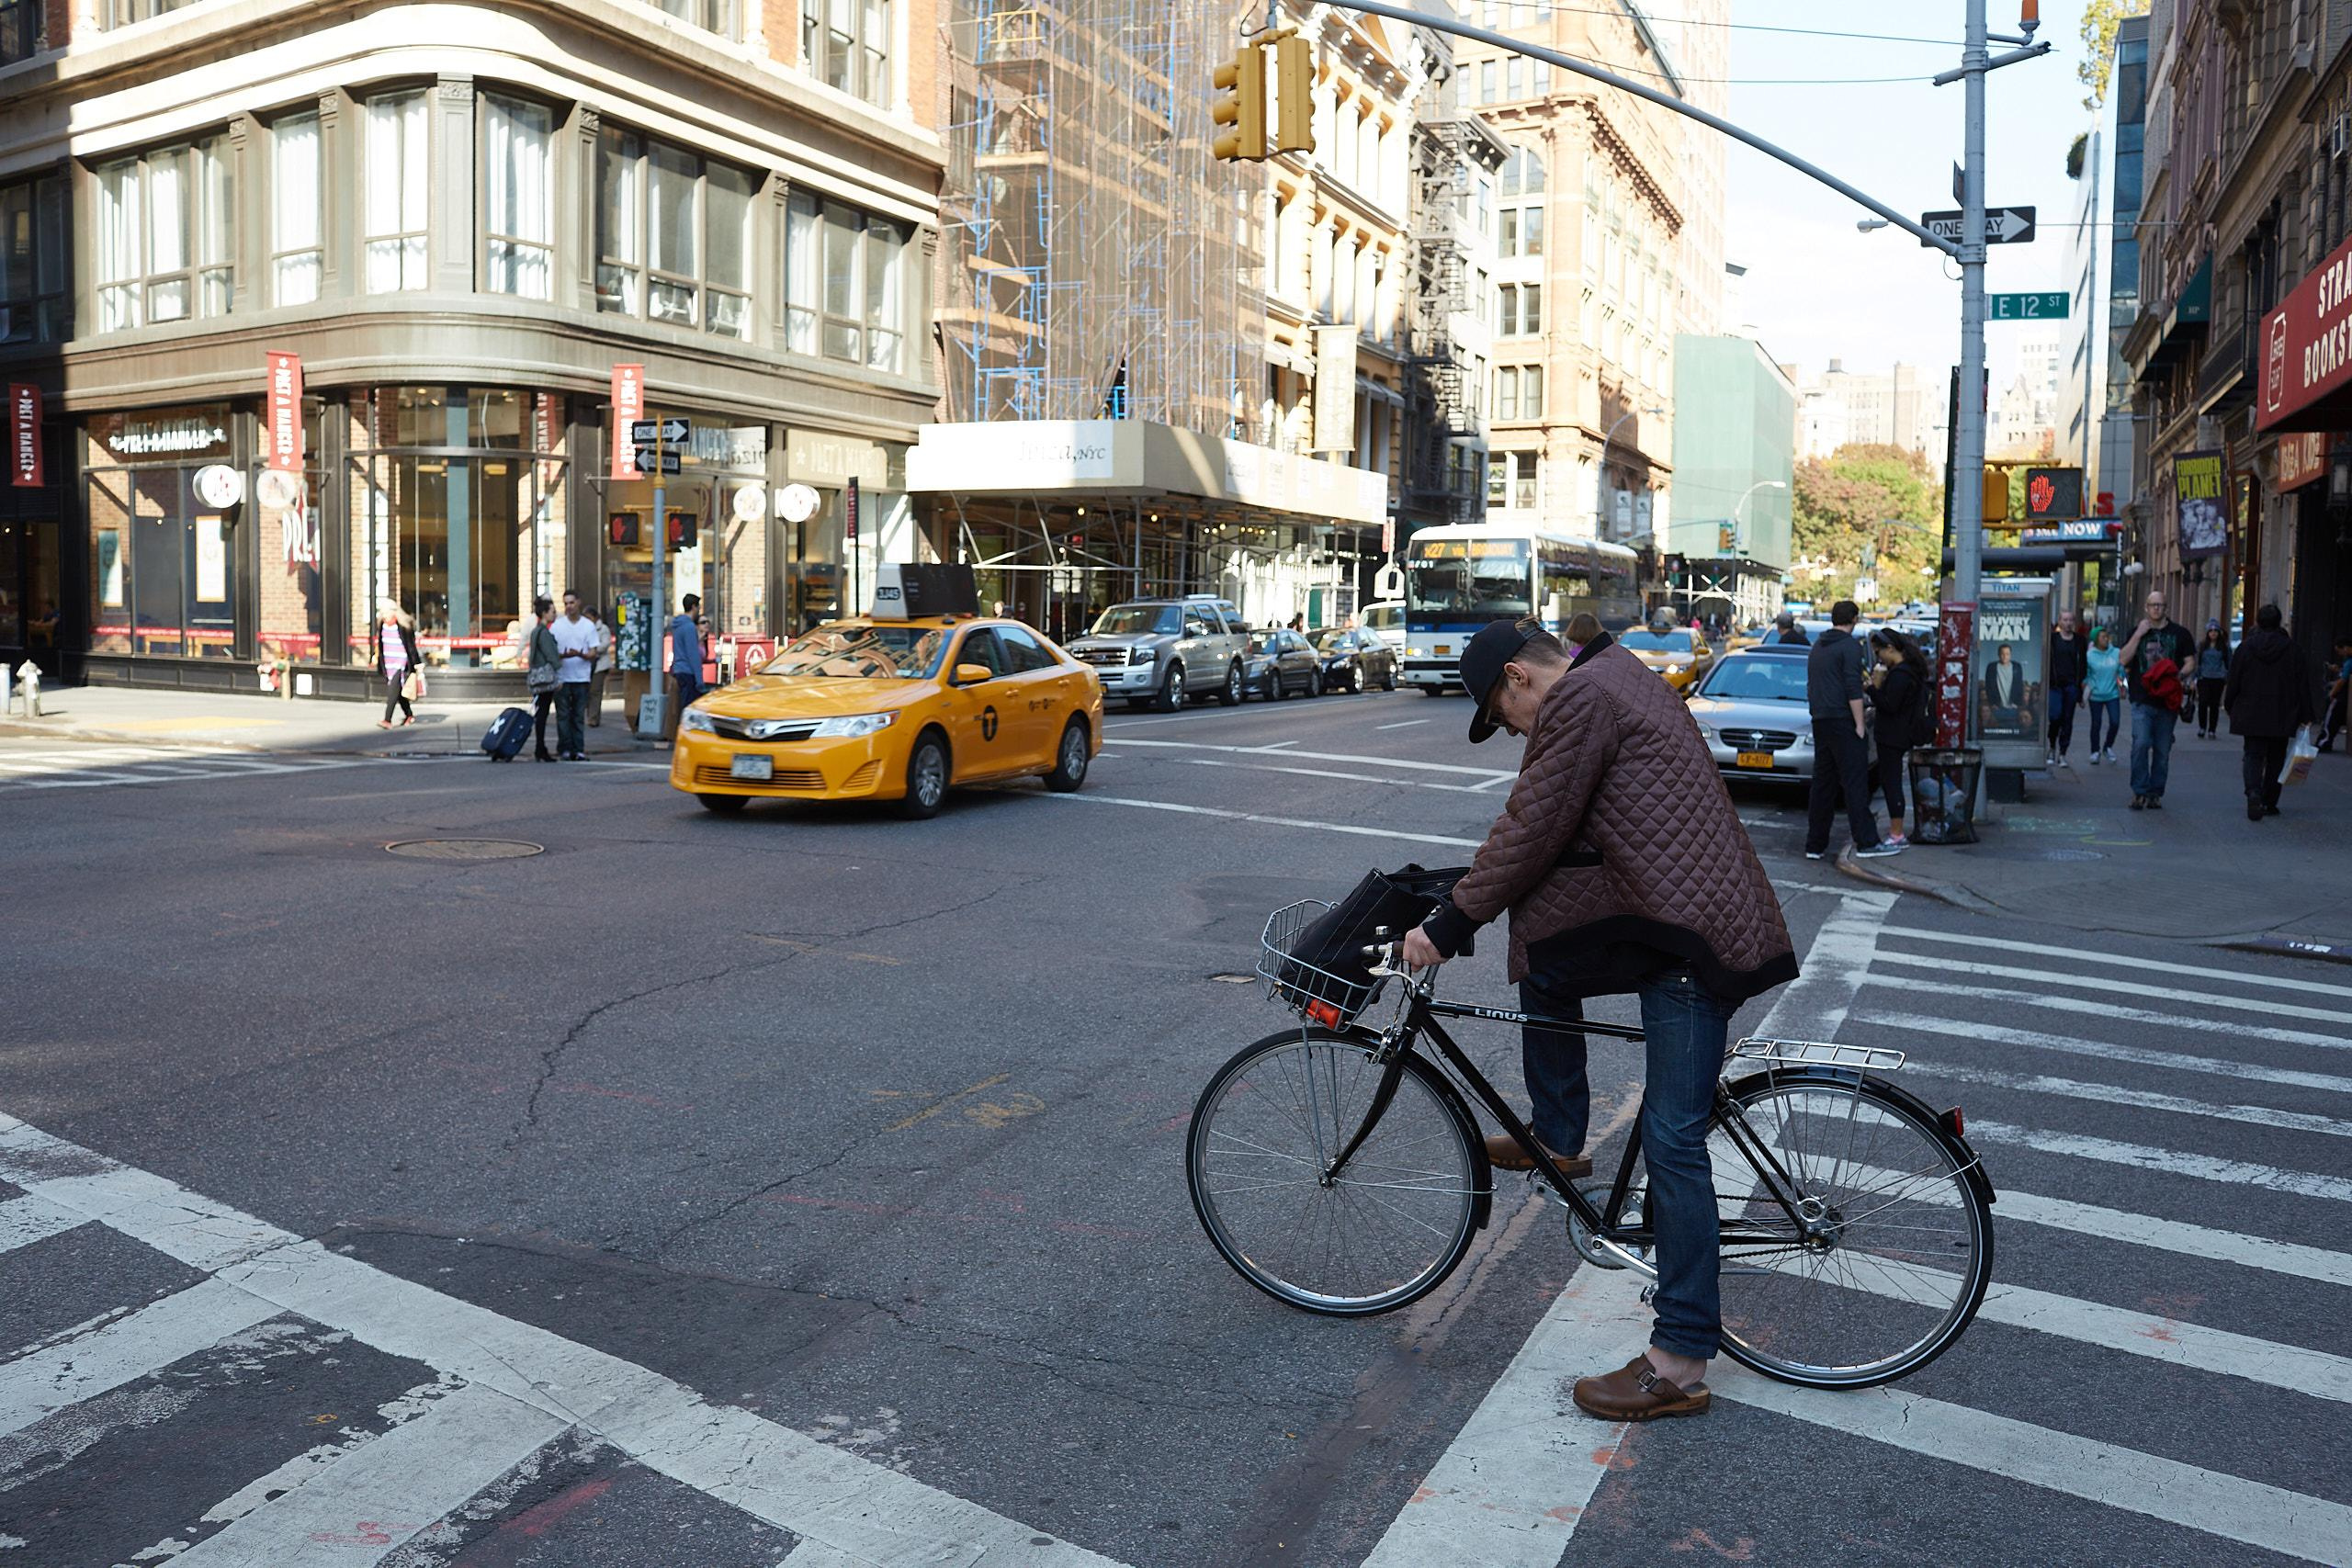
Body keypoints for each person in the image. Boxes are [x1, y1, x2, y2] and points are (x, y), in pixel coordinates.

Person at [1397, 616, 1797, 1422]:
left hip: (1689, 943)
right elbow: (1588, 828)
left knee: (1674, 1137)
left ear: (1519, 678)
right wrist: (1496, 903)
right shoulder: (1616, 673)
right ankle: (1558, 1133)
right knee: (1544, 962)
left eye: (1502, 715)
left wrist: (1449, 924)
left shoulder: (1579, 699)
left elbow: (1532, 825)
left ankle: (1680, 1359)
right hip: (1681, 918)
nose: (1511, 731)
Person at [1804, 601, 1899, 861]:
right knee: (1855, 783)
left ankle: (1815, 844)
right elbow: (1852, 688)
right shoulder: (1849, 646)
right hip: (1843, 720)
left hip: (1821, 720)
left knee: (1823, 784)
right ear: (1854, 619)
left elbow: (1813, 686)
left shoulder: (1819, 646)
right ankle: (1867, 841)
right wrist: (1859, 725)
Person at [2224, 604, 2318, 821]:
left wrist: (2230, 705)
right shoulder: (2293, 650)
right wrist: (2306, 715)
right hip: (2282, 712)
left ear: (2258, 622)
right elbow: (2302, 685)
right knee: (2276, 757)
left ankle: (2253, 792)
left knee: (2253, 755)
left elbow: (2234, 680)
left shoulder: (2246, 648)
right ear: (2279, 622)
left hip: (2252, 712)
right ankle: (2269, 800)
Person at [2119, 590, 2197, 809]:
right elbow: (2123, 659)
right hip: (2142, 699)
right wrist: (2138, 635)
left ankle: (2155, 792)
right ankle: (2139, 791)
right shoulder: (2137, 631)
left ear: (2166, 608)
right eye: (2153, 605)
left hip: (2167, 701)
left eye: (2160, 605)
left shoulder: (2180, 634)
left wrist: (2178, 676)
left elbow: (2190, 661)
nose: (2156, 609)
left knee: (2162, 750)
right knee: (2141, 744)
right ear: (2146, 607)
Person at [1868, 628, 1928, 848]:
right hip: (1900, 734)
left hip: (1892, 735)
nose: (1878, 657)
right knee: (1891, 781)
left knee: (1891, 782)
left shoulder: (1900, 675)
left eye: (1878, 652)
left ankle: (1896, 832)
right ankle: (1897, 830)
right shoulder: (1909, 671)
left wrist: (1873, 689)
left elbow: (1889, 704)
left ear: (1890, 649)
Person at [552, 589, 600, 761]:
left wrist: (580, 654)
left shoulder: (588, 626)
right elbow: (552, 652)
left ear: (578, 602)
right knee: (563, 715)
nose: (569, 607)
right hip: (563, 676)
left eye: (571, 603)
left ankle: (578, 749)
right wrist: (565, 655)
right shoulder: (558, 625)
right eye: (566, 604)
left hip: (581, 677)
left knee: (578, 715)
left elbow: (593, 652)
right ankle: (565, 748)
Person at [2047, 610, 2087, 768]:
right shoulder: (2052, 639)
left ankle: (2063, 753)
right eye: (2065, 619)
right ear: (2059, 621)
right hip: (2055, 685)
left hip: (2072, 685)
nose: (2068, 623)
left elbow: (2083, 664)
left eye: (2071, 620)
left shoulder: (2079, 641)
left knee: (2067, 719)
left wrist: (2081, 690)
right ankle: (2051, 747)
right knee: (2055, 716)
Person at [373, 599, 420, 730]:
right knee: (398, 693)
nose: (384, 615)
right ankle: (409, 715)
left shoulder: (404, 626)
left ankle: (387, 720)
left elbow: (411, 646)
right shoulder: (382, 625)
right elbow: (381, 645)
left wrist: (416, 663)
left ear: (394, 612)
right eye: (382, 613)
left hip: (401, 662)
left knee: (393, 690)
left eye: (386, 612)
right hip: (388, 663)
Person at [526, 597, 560, 762]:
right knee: (543, 714)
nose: (555, 614)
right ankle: (540, 748)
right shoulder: (544, 632)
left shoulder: (535, 631)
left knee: (540, 712)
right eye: (553, 611)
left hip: (536, 676)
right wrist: (558, 669)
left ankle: (540, 747)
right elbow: (551, 655)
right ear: (545, 613)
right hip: (545, 678)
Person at [2085, 626, 2123, 765]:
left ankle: (2108, 747)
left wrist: (2124, 688)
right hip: (2096, 695)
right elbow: (2086, 675)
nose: (2106, 639)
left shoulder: (2116, 652)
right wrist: (2084, 692)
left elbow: (2121, 671)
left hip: (2112, 693)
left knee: (2115, 721)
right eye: (2102, 637)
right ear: (2095, 639)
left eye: (2107, 636)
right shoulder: (2089, 656)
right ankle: (2095, 751)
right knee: (2096, 723)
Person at [669, 593, 707, 721]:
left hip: (679, 671)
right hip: (688, 672)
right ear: (693, 607)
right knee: (690, 710)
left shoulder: (677, 626)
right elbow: (693, 655)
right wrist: (700, 680)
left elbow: (676, 649)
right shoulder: (689, 627)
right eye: (698, 608)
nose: (699, 611)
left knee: (683, 706)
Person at [2193, 619, 2232, 739]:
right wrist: (2195, 677)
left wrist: (2226, 675)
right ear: (2207, 632)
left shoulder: (2224, 647)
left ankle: (2212, 729)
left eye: (2215, 631)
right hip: (2204, 677)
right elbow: (2197, 662)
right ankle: (2202, 727)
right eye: (2211, 631)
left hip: (2218, 678)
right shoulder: (2201, 646)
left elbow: (2229, 662)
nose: (2213, 633)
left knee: (2215, 704)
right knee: (2203, 702)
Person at [2322, 632, 2352, 753]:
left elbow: (2343, 680)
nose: (2340, 655)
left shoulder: (2349, 662)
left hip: (2343, 697)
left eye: (2339, 651)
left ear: (2345, 648)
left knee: (2331, 719)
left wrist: (2332, 693)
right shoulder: (2348, 662)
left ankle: (2324, 742)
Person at [587, 607, 615, 728]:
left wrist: (593, 649)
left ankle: (593, 718)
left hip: (600, 664)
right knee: (588, 691)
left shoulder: (603, 629)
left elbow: (605, 644)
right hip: (587, 663)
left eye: (589, 618)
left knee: (595, 691)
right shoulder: (586, 628)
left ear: (594, 617)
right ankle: (591, 716)